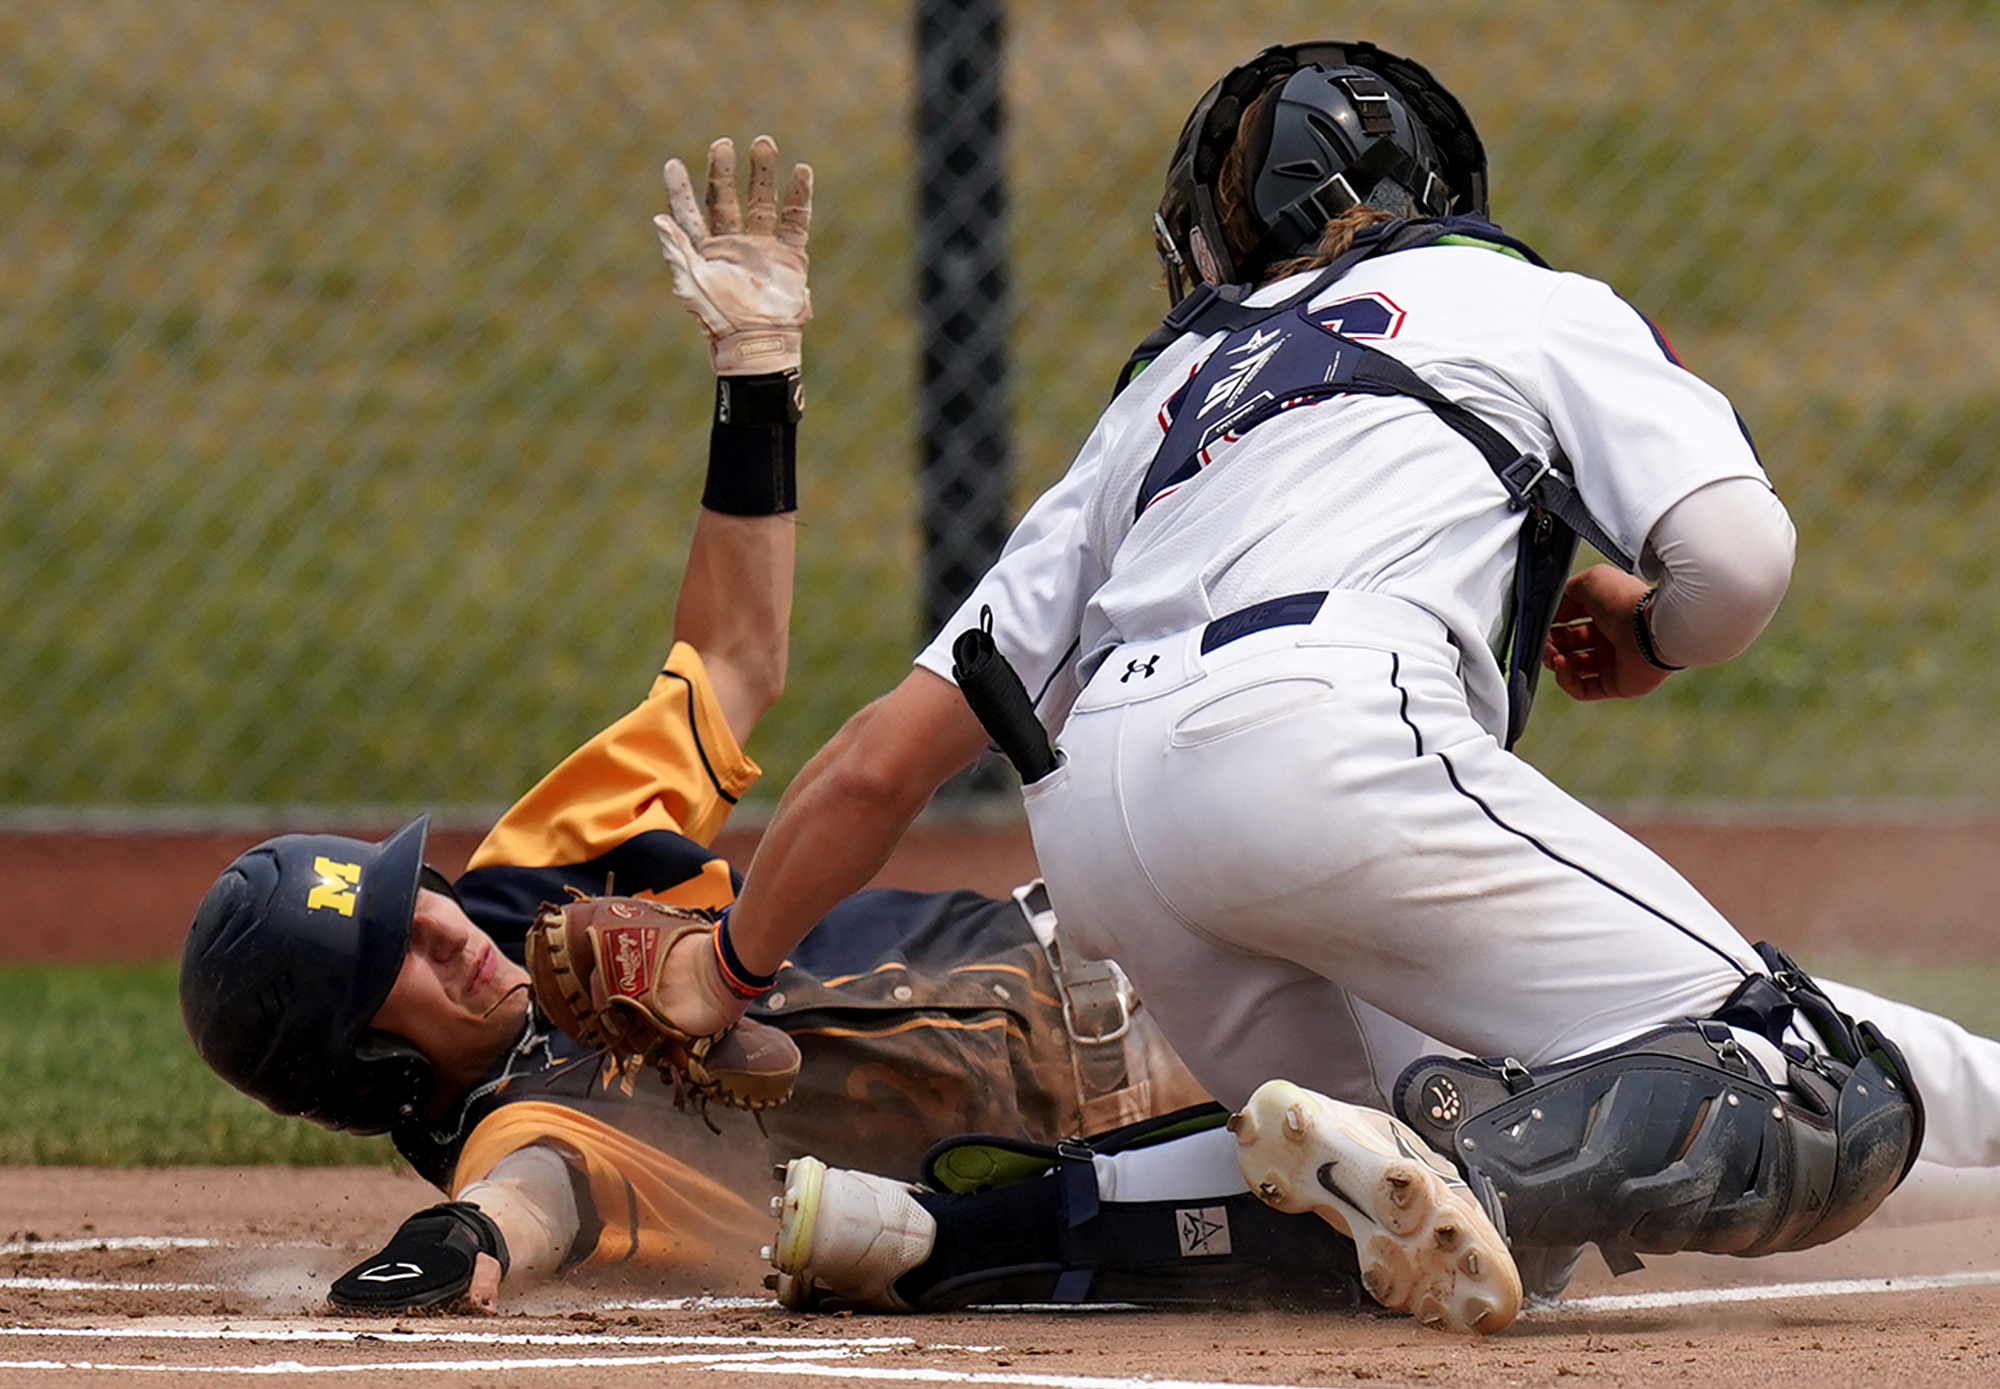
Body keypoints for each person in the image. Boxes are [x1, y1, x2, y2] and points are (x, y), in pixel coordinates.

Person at [641, 41, 1996, 1334]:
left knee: (1408, 1212)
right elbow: (1741, 560)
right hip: (1322, 738)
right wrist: (1651, 640)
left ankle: (938, 1234)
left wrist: (729, 966)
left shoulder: (1165, 395)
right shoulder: (1515, 297)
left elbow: (885, 757)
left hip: (1105, 818)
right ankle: (1473, 1156)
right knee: (1809, 1082)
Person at [178, 134, 1208, 1315]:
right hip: (1125, 1127)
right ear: (369, 1064)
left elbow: (728, 661)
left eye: (404, 892)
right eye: (390, 955)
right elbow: (534, 1199)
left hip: (1106, 934)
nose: (438, 922)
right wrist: (464, 1238)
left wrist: (756, 373)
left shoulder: (529, 881)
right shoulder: (527, 1125)